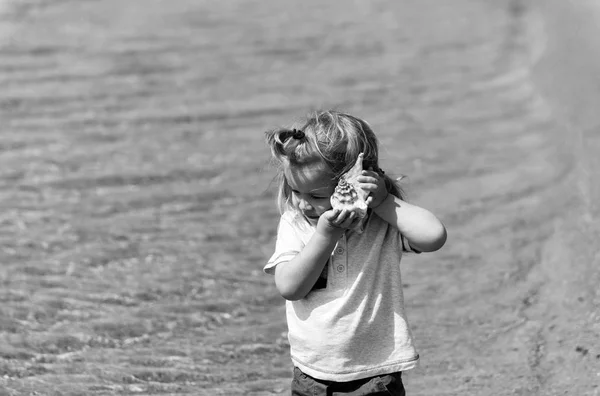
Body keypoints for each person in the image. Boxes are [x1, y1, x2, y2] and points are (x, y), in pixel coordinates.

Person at [264, 110, 447, 396]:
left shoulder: (381, 221)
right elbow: (290, 287)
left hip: (377, 374)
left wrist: (385, 201)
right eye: (295, 190)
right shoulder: (295, 222)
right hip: (311, 376)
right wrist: (326, 235)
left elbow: (434, 237)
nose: (302, 203)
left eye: (316, 196)